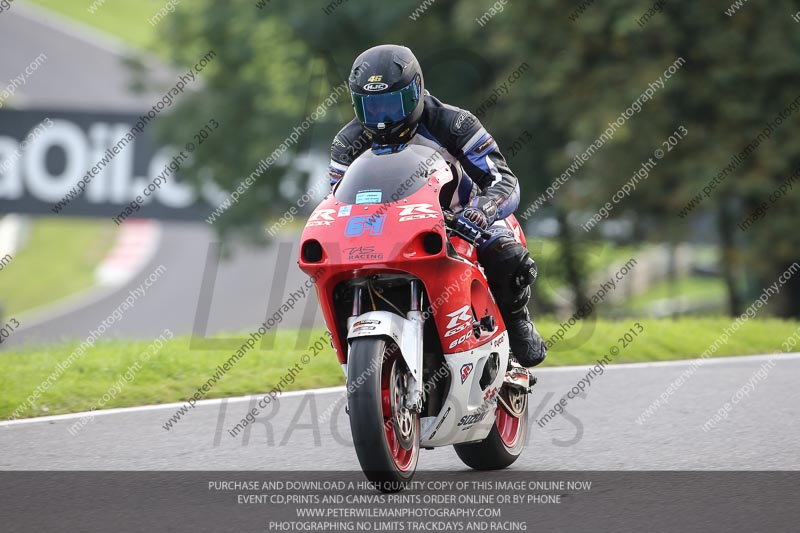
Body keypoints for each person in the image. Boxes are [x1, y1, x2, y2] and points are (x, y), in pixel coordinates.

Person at [328, 44, 545, 368]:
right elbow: (337, 198)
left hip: (462, 218)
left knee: (507, 254)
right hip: (386, 227)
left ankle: (516, 321)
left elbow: (505, 181)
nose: (383, 119)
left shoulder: (454, 124)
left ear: (416, 91)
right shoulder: (347, 143)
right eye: (370, 108)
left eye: (392, 104)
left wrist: (482, 210)